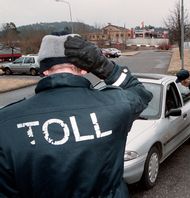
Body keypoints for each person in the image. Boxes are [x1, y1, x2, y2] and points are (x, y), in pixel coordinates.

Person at [0, 34, 152, 197]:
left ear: (43, 70)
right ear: (85, 68)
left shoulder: (5, 123)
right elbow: (141, 93)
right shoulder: (116, 104)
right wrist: (105, 66)